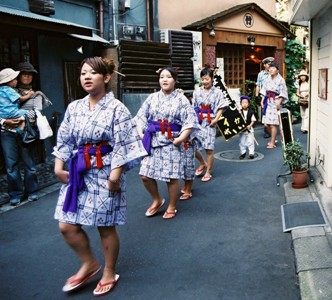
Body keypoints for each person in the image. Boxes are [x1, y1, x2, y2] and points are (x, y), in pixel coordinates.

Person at [53, 56, 147, 296]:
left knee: (104, 226)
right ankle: (89, 263)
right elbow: (64, 138)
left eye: (92, 73)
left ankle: (108, 270)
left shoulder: (117, 109)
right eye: (83, 72)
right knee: (66, 225)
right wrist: (58, 166)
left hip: (106, 171)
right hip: (78, 170)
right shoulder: (75, 107)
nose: (86, 76)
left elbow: (124, 144)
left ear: (106, 78)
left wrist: (115, 178)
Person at [135, 67, 198, 219]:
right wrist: (140, 132)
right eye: (162, 77)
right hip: (153, 140)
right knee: (145, 175)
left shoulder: (181, 99)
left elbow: (190, 122)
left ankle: (172, 206)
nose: (164, 79)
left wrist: (180, 139)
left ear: (175, 80)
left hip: (171, 142)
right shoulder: (152, 97)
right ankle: (157, 199)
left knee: (171, 178)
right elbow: (141, 116)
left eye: (168, 77)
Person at [0, 67, 39, 206]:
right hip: (6, 132)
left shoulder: (22, 91)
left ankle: (32, 191)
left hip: (23, 131)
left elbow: (36, 109)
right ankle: (15, 194)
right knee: (11, 165)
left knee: (29, 163)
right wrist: (5, 121)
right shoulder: (10, 91)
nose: (24, 78)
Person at [192, 68, 227, 182]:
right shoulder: (197, 91)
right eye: (203, 79)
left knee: (209, 149)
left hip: (210, 121)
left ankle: (208, 172)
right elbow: (194, 107)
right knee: (191, 144)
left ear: (212, 79)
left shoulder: (217, 92)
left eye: (207, 79)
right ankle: (203, 163)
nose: (205, 81)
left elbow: (221, 107)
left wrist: (216, 119)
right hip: (198, 121)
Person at [260, 62, 288, 149]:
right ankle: (274, 137)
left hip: (276, 101)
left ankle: (272, 142)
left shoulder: (281, 80)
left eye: (273, 68)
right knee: (266, 124)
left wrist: (279, 102)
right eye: (270, 68)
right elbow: (264, 90)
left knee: (273, 124)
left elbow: (283, 92)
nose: (271, 69)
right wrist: (262, 100)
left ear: (277, 71)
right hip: (268, 101)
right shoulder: (267, 79)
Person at [0, 68, 34, 135]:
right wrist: (30, 95)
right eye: (14, 79)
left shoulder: (1, 89)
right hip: (12, 112)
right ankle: (22, 126)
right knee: (30, 113)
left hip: (2, 115)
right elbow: (20, 99)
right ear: (9, 81)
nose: (16, 81)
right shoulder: (9, 89)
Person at [256, 57, 274, 138]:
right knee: (265, 113)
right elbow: (258, 85)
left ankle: (272, 129)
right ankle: (266, 131)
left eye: (271, 64)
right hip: (264, 96)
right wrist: (257, 96)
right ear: (264, 65)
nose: (270, 66)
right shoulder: (261, 74)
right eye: (268, 64)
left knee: (272, 113)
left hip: (272, 96)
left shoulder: (274, 73)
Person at [238, 95, 256, 159]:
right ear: (240, 104)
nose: (244, 104)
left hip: (249, 129)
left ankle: (251, 153)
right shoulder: (239, 112)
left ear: (248, 104)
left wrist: (250, 125)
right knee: (242, 142)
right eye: (243, 103)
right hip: (242, 130)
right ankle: (243, 153)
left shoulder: (251, 112)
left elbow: (253, 120)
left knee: (250, 141)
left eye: (246, 103)